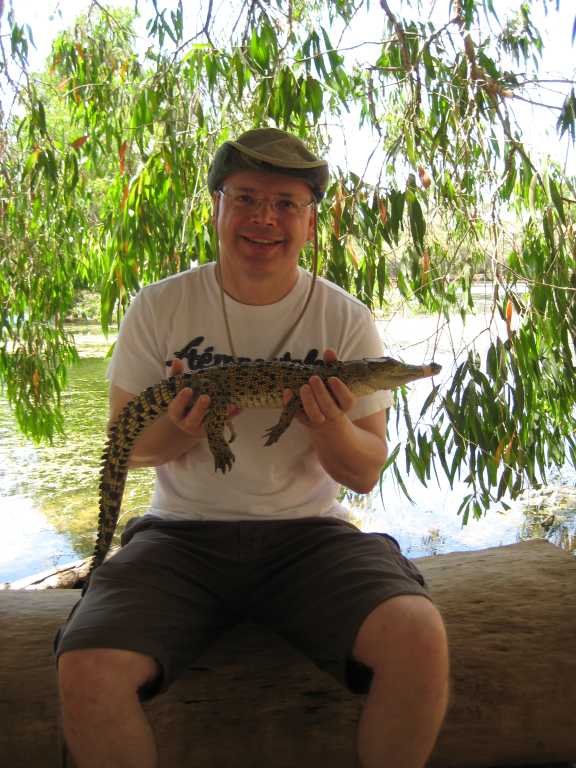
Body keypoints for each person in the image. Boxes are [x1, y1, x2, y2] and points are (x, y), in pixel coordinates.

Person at [56, 127, 449, 768]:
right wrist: (187, 426)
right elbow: (127, 445)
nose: (264, 217)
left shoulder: (346, 319)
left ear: (310, 222)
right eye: (245, 198)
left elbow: (364, 474)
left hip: (310, 536)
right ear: (216, 207)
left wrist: (328, 425)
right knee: (85, 664)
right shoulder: (158, 306)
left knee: (420, 638)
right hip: (179, 536)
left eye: (286, 203)